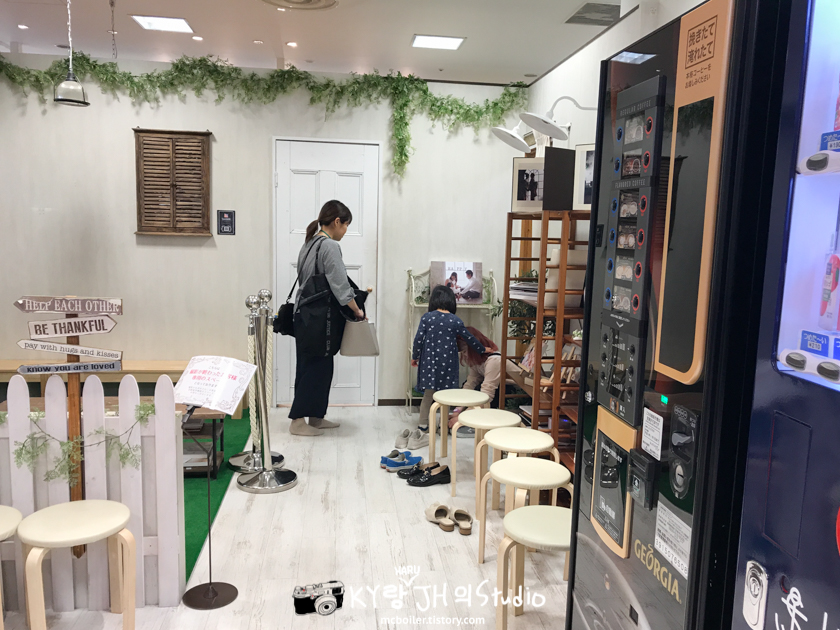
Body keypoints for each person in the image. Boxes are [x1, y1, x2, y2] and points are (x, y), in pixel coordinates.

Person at [289, 200, 365, 437]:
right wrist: (357, 310)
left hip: (307, 316)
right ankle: (297, 421)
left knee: (318, 367)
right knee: (313, 369)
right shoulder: (329, 246)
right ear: (336, 221)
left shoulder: (309, 243)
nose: (346, 231)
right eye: (346, 225)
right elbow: (340, 285)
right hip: (319, 319)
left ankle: (316, 418)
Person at [411, 285, 491, 433]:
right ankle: (443, 426)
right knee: (446, 396)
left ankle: (423, 425)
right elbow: (469, 338)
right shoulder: (456, 321)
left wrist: (415, 357)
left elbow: (418, 340)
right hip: (448, 364)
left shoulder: (427, 318)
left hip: (429, 363)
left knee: (428, 395)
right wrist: (482, 349)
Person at [449, 327, 501, 435]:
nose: (464, 355)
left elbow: (487, 394)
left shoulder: (494, 360)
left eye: (465, 351)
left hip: (508, 392)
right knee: (469, 386)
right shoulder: (478, 361)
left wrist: (462, 418)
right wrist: (457, 411)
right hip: (492, 389)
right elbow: (469, 385)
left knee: (480, 393)